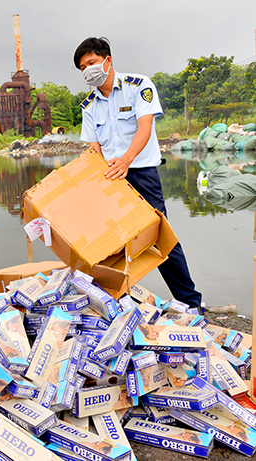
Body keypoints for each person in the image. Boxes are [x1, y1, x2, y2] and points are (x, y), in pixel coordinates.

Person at [74, 37, 202, 309]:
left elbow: (145, 127)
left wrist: (126, 160)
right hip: (110, 179)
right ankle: (118, 302)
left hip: (141, 173)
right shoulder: (88, 105)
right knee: (112, 242)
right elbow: (94, 148)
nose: (89, 70)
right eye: (83, 67)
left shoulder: (138, 86)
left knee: (160, 238)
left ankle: (191, 303)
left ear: (107, 61)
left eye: (92, 63)